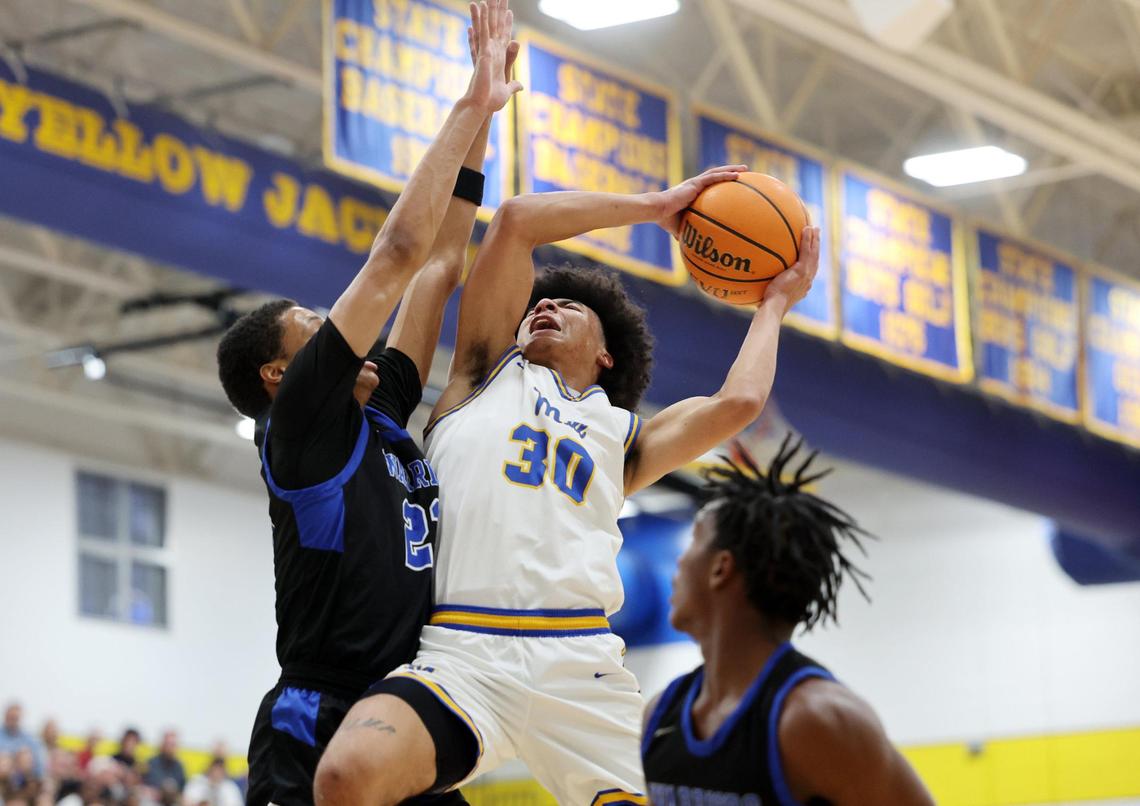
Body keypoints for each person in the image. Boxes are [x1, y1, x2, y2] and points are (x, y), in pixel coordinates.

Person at [313, 167, 821, 804]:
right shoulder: (479, 376)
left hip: (581, 663)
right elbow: (517, 220)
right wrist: (654, 206)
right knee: (345, 775)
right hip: (464, 653)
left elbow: (738, 401)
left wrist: (774, 303)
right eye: (536, 308)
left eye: (566, 306)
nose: (544, 307)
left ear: (607, 354)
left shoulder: (622, 436)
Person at [214, 1, 521, 803]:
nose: (329, 326)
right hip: (321, 719)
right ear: (281, 374)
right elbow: (398, 253)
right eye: (310, 327)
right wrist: (466, 102)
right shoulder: (302, 425)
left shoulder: (378, 413)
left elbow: (441, 262)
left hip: (407, 712)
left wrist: (487, 113)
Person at [641, 439, 934, 805]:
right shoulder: (661, 715)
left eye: (693, 543)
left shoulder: (816, 720)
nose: (679, 565)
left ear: (722, 568)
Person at [0, 703, 44, 778]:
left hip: (24, 778)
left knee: (25, 755)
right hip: (3, 775)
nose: (13, 721)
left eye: (15, 718)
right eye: (11, 717)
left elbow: (38, 763)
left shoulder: (30, 739)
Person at [142, 730, 185, 799]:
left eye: (173, 745)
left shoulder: (179, 767)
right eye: (168, 744)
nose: (170, 748)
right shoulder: (151, 763)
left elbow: (182, 790)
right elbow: (144, 786)